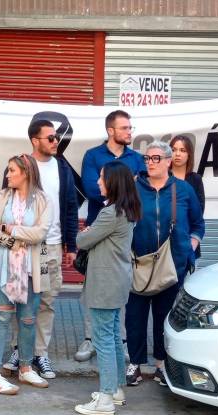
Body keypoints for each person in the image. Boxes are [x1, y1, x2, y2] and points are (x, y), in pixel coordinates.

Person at [2, 120, 78, 380]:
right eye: (50, 138)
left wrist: (71, 244)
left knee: (46, 301)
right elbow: (6, 201)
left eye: (56, 137)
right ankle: (18, 349)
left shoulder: (62, 168)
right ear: (35, 140)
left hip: (51, 246)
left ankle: (40, 353)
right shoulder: (20, 167)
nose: (56, 142)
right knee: (19, 298)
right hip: (23, 245)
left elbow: (70, 207)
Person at [125, 142, 204, 387]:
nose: (150, 162)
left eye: (156, 158)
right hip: (138, 263)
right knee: (135, 316)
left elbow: (198, 224)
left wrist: (187, 248)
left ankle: (161, 364)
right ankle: (136, 364)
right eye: (147, 158)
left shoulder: (183, 190)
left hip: (172, 265)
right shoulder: (133, 189)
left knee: (165, 316)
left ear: (169, 161)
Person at [74, 109, 145, 363]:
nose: (129, 132)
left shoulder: (136, 158)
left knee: (119, 283)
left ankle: (122, 340)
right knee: (93, 284)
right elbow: (90, 188)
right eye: (125, 128)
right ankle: (90, 338)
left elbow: (141, 189)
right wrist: (120, 194)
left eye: (129, 128)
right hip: (97, 225)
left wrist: (122, 198)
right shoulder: (93, 156)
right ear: (111, 130)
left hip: (125, 229)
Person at [74, 161, 141, 415]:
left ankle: (105, 399)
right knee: (112, 335)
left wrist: (86, 232)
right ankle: (115, 390)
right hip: (117, 281)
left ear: (113, 182)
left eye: (102, 178)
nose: (98, 182)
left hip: (105, 284)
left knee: (103, 339)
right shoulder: (126, 210)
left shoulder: (110, 213)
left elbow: (82, 240)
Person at [0, 154, 52, 395]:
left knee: (28, 321)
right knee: (1, 320)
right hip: (2, 267)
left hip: (31, 268)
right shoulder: (1, 197)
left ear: (26, 173)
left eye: (12, 170)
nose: (8, 174)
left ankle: (25, 368)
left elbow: (40, 234)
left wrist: (11, 228)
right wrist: (14, 242)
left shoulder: (43, 200)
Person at [169, 135, 205, 259]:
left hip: (188, 244)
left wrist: (190, 246)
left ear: (189, 154)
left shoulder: (195, 179)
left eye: (182, 150)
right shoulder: (162, 177)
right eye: (174, 150)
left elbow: (199, 213)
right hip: (163, 248)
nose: (177, 154)